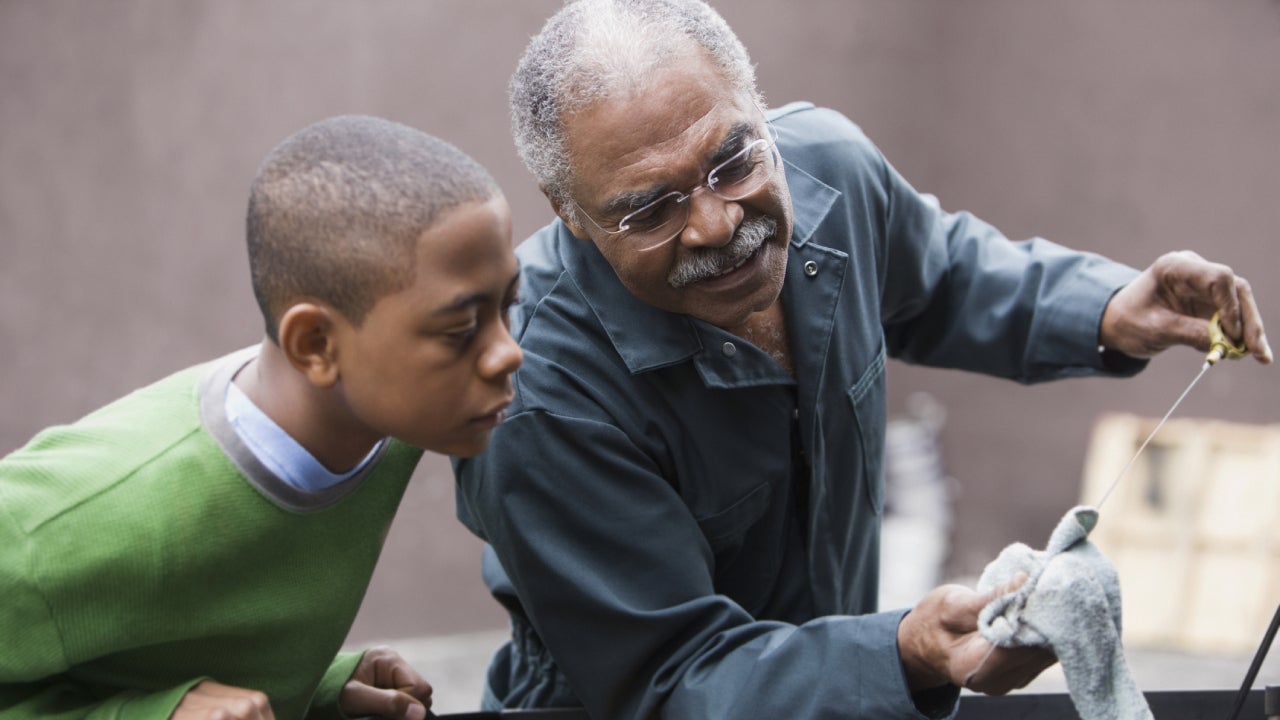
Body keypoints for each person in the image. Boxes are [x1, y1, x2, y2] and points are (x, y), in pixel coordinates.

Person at [452, 1, 1272, 719]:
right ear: (570, 213)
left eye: (733, 161)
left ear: (761, 113)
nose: (713, 223)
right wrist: (902, 654)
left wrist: (1109, 309)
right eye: (651, 209)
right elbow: (673, 678)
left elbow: (943, 276)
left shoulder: (828, 168)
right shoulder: (534, 398)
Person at [0, 115, 524, 720]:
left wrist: (315, 691)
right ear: (316, 345)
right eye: (460, 329)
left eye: (507, 304)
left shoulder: (394, 418)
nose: (509, 350)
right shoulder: (73, 521)